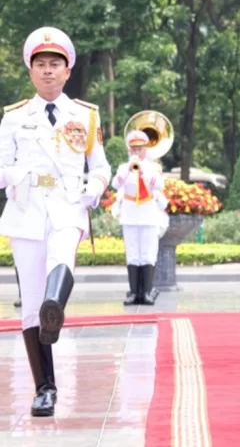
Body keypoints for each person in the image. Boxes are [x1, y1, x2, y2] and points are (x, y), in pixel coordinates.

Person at [0, 27, 111, 416]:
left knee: (62, 256)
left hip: (68, 205)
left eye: (55, 64)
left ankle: (55, 308)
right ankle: (44, 388)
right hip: (27, 209)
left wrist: (94, 189)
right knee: (30, 302)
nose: (48, 70)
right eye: (41, 64)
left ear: (67, 71)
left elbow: (101, 166)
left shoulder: (85, 115)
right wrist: (15, 175)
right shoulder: (14, 117)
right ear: (30, 71)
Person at [111, 130, 167, 306]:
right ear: (129, 150)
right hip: (130, 215)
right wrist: (129, 170)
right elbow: (115, 184)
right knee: (133, 254)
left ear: (145, 150)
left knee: (148, 254)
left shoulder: (153, 168)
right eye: (134, 149)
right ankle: (134, 292)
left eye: (140, 149)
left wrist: (144, 172)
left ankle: (147, 292)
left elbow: (160, 185)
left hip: (148, 214)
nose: (137, 152)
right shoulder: (123, 168)